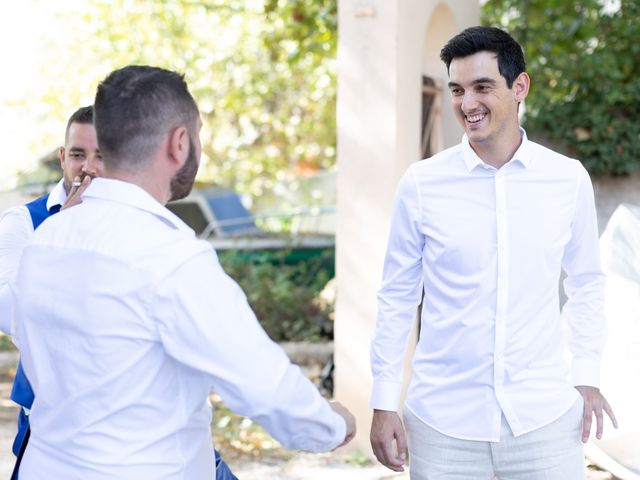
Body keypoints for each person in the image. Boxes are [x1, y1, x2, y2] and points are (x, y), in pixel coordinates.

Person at [9, 65, 355, 480]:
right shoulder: (171, 257)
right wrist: (331, 425)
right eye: (198, 135)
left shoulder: (43, 243)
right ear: (179, 142)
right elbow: (263, 384)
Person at [369, 26, 617, 479]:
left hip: (544, 422)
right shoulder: (422, 184)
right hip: (443, 426)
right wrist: (384, 401)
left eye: (483, 87)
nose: (467, 104)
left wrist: (587, 373)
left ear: (519, 86)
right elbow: (397, 296)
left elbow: (586, 283)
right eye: (458, 90)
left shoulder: (567, 179)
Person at [0, 106, 239, 479]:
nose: (90, 168)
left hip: (153, 426)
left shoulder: (146, 223)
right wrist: (64, 229)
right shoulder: (24, 223)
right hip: (60, 428)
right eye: (78, 155)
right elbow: (12, 315)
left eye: (102, 156)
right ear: (63, 157)